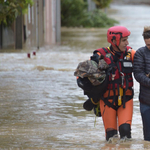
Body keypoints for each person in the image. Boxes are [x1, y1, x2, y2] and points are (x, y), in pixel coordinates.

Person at [75, 26, 136, 141]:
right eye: (124, 40)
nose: (127, 43)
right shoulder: (100, 55)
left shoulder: (130, 54)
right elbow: (81, 74)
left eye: (127, 39)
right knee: (111, 137)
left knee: (126, 133)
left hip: (125, 100)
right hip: (107, 101)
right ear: (114, 41)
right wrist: (92, 94)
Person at [133, 26, 150, 141]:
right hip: (146, 101)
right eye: (148, 45)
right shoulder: (140, 53)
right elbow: (138, 75)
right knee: (148, 138)